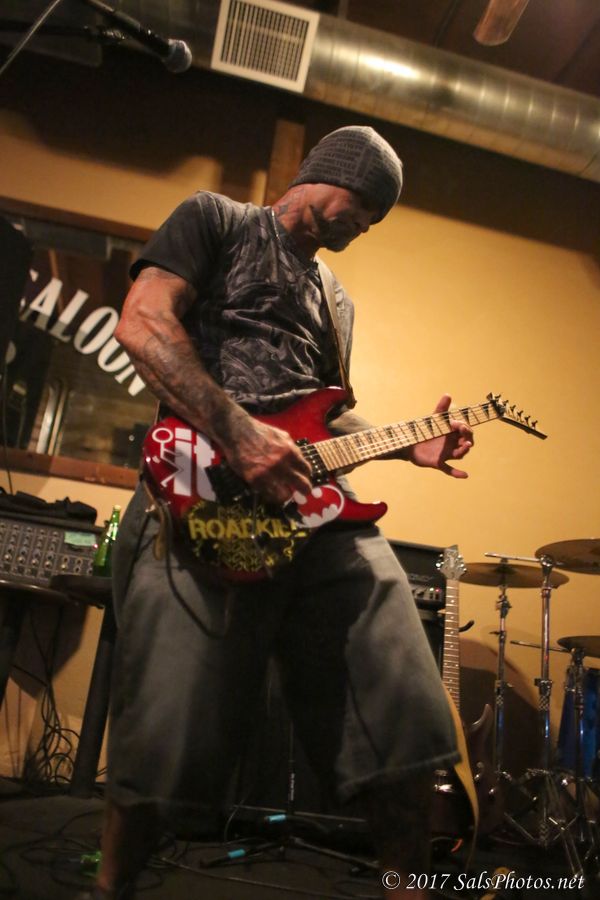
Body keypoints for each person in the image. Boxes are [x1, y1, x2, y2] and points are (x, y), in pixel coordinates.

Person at [86, 126, 473, 900]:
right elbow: (143, 322)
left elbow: (322, 419)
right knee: (168, 726)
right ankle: (110, 887)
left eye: (376, 218)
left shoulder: (336, 300)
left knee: (403, 706)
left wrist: (406, 445)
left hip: (314, 519)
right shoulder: (216, 220)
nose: (365, 224)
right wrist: (237, 432)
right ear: (326, 174)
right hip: (199, 490)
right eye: (363, 203)